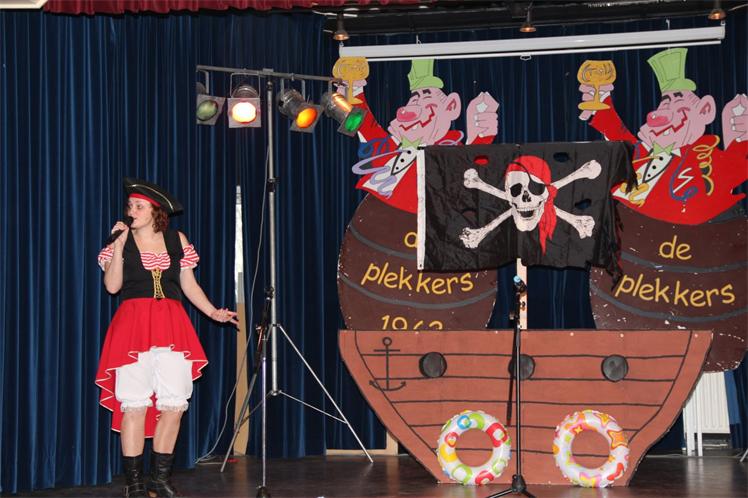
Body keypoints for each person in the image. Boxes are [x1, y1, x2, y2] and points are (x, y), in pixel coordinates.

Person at [95, 178, 239, 498]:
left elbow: (189, 284)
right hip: (133, 326)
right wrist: (117, 247)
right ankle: (134, 483)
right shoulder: (121, 243)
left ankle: (159, 479)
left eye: (139, 206)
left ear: (156, 211)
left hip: (172, 326)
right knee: (134, 406)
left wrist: (213, 312)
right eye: (130, 206)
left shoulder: (177, 240)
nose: (132, 211)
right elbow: (112, 287)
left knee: (174, 404)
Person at [578, 48, 747, 225]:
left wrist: (740, 139)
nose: (663, 111)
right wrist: (601, 102)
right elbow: (620, 136)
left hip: (676, 238)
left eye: (678, 101)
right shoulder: (641, 153)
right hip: (628, 233)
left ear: (705, 110)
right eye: (665, 102)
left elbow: (734, 169)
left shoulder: (703, 156)